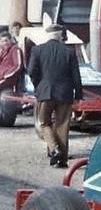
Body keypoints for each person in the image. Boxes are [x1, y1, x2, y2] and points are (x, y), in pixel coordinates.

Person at [28, 24, 82, 168]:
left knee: (44, 122)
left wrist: (38, 85)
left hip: (45, 92)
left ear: (48, 35)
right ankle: (62, 160)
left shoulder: (37, 50)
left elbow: (31, 71)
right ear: (60, 36)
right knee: (63, 125)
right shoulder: (69, 51)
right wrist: (78, 93)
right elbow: (76, 75)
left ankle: (54, 149)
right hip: (65, 93)